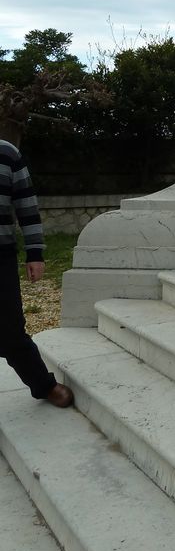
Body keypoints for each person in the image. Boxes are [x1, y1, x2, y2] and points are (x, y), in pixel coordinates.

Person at [0, 139, 73, 407]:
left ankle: (43, 386)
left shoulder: (7, 153)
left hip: (1, 257)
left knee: (10, 330)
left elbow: (27, 206)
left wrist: (35, 253)